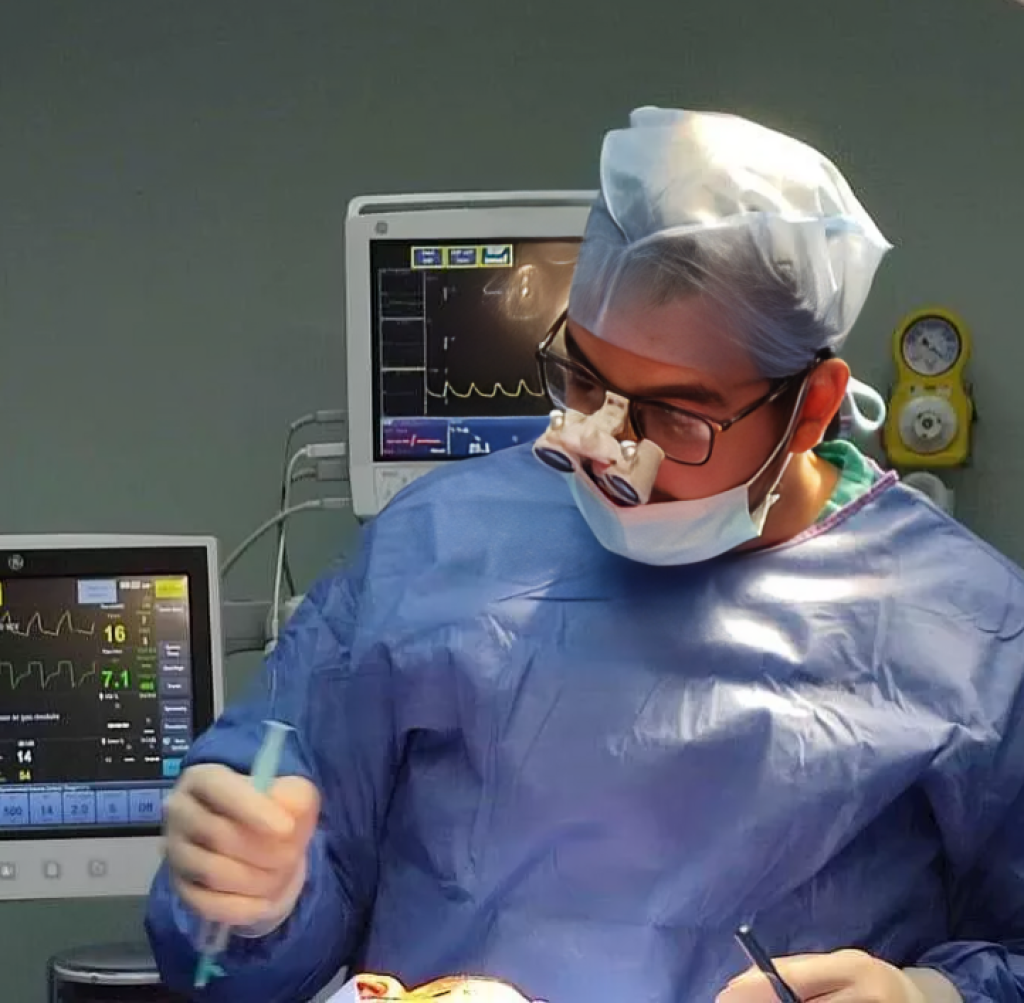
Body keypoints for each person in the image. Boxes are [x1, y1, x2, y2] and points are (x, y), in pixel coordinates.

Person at [146, 107, 1024, 1003]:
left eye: (676, 416)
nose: (610, 451)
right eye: (583, 380)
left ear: (811, 409)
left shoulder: (970, 632)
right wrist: (250, 899)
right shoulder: (437, 545)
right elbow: (256, 916)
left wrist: (933, 996)